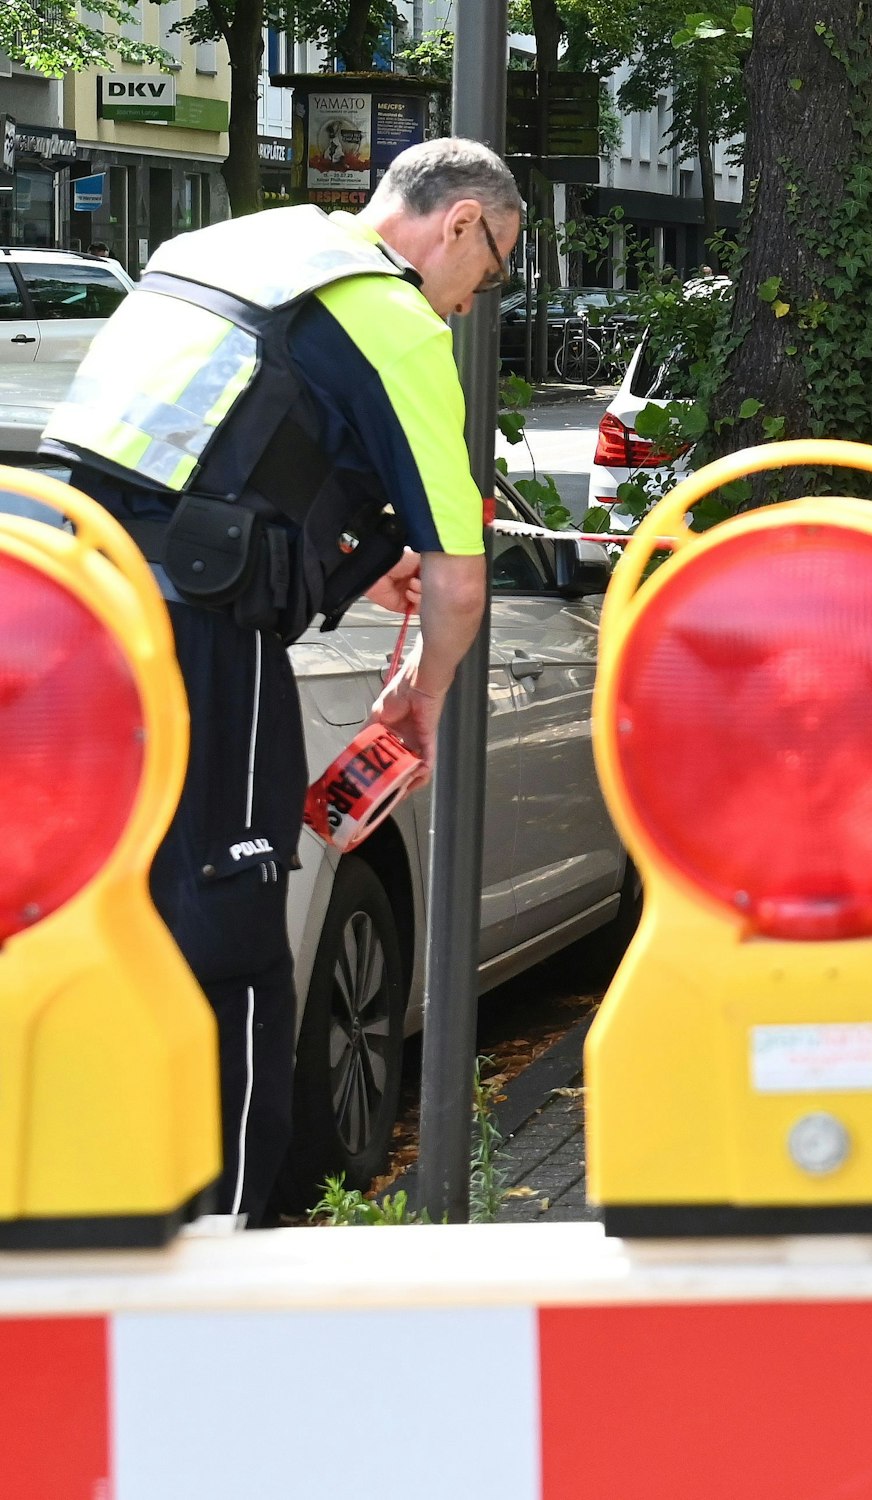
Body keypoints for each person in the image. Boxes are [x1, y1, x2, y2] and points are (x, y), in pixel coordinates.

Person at [40, 138, 520, 1224]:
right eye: (485, 275)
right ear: (457, 226)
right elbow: (458, 589)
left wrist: (348, 553)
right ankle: (229, 1227)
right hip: (203, 638)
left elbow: (200, 449)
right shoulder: (393, 321)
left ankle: (82, 1193)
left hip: (67, 612)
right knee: (236, 937)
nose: (467, 304)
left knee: (86, 908)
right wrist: (421, 700)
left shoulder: (229, 246)